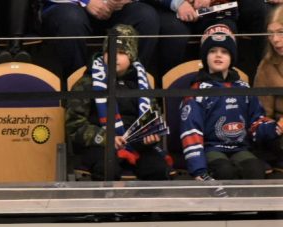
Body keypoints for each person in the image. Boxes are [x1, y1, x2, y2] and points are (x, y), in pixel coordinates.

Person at [66, 24, 171, 181]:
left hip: (138, 145)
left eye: (122, 53)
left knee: (157, 169)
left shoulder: (141, 82)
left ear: (132, 56)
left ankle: (145, 206)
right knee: (107, 169)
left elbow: (153, 118)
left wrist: (151, 134)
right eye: (111, 51)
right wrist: (105, 137)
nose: (115, 56)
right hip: (100, 145)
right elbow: (74, 124)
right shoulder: (87, 82)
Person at [181, 24, 281, 180]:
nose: (218, 55)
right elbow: (191, 132)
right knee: (225, 172)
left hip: (240, 148)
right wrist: (198, 169)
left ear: (232, 57)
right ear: (205, 57)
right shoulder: (196, 90)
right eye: (212, 51)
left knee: (255, 170)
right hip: (211, 148)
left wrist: (276, 127)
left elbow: (256, 123)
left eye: (224, 52)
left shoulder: (244, 87)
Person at [40, 0, 158, 78]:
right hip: (69, 6)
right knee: (70, 20)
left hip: (116, 9)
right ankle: (79, 90)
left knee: (146, 17)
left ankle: (130, 86)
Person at [254, 5, 283, 168]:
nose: (275, 40)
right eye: (271, 34)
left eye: (281, 32)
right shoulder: (266, 66)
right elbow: (262, 115)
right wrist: (276, 126)